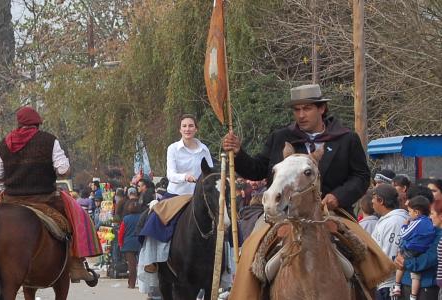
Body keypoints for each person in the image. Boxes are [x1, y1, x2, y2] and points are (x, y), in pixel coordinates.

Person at [223, 84, 370, 216]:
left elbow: (361, 176)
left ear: (322, 108)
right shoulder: (279, 137)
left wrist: (338, 197)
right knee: (254, 242)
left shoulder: (346, 139)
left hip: (333, 213)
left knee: (363, 246)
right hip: (281, 214)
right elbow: (257, 170)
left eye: (307, 108)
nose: (301, 115)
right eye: (297, 110)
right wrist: (238, 153)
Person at [0, 106, 100, 283]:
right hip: (45, 198)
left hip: (11, 199)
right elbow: (63, 169)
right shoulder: (49, 140)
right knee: (77, 216)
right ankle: (77, 264)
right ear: (37, 123)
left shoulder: (4, 143)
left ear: (19, 123)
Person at [395, 199, 442, 300]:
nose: (430, 217)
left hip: (426, 286)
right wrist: (398, 258)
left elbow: (429, 258)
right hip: (407, 282)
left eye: (432, 213)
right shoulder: (423, 226)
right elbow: (404, 244)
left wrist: (406, 262)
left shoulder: (436, 233)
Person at [371, 183, 410, 300]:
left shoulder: (395, 221)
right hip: (383, 284)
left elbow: (389, 256)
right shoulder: (387, 220)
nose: (371, 201)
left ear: (381, 200)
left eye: (373, 198)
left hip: (390, 286)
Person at [166, 114, 214, 196]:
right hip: (176, 194)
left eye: (191, 126)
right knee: (156, 208)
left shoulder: (204, 149)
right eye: (184, 126)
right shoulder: (172, 148)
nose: (187, 129)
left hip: (199, 195)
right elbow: (170, 175)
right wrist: (185, 177)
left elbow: (210, 172)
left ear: (196, 129)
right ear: (180, 130)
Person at [118, 200, 143, 289]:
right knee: (142, 264)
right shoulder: (142, 217)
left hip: (128, 244)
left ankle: (131, 284)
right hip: (140, 243)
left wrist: (121, 243)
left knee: (131, 266)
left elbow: (121, 233)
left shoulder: (126, 219)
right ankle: (142, 284)